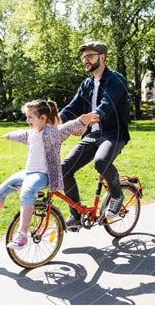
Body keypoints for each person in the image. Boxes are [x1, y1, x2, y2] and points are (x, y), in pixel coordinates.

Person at [0, 99, 99, 250]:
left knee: (27, 192)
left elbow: (67, 127)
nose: (27, 120)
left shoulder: (52, 132)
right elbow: (19, 134)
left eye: (30, 117)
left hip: (44, 175)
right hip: (29, 173)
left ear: (42, 118)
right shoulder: (30, 134)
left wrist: (82, 120)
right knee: (2, 189)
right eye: (27, 116)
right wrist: (7, 135)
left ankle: (22, 234)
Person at [59, 41, 131, 231]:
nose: (86, 60)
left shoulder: (116, 80)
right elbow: (72, 106)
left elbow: (106, 106)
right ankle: (76, 215)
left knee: (101, 162)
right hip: (94, 134)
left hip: (114, 133)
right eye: (84, 57)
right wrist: (55, 120)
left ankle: (117, 195)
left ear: (102, 57)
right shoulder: (87, 83)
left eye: (90, 56)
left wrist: (82, 122)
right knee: (63, 169)